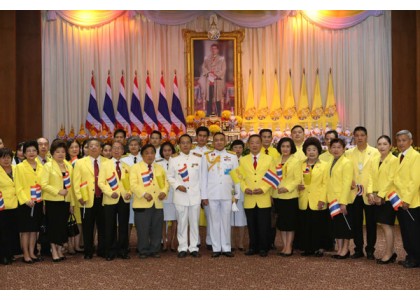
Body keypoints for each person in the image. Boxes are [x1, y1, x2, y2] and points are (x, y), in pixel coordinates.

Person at [233, 134, 276, 257]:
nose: (255, 145)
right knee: (251, 224)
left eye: (257, 142)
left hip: (263, 196)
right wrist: (245, 188)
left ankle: (263, 247)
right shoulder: (242, 160)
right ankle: (253, 246)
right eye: (252, 143)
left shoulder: (269, 159)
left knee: (264, 224)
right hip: (249, 197)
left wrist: (263, 189)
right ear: (248, 145)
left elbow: (272, 177)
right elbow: (239, 177)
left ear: (261, 144)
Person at [201, 132, 239, 257]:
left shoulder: (232, 156)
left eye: (221, 140)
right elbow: (203, 178)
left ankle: (226, 247)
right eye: (216, 140)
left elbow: (236, 178)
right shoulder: (206, 156)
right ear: (212, 142)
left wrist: (236, 195)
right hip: (212, 194)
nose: (219, 142)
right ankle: (216, 248)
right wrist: (204, 196)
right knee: (214, 221)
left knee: (226, 221)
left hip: (227, 194)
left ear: (225, 141)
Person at [345, 126, 380, 260]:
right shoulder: (348, 153)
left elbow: (374, 173)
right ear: (354, 137)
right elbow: (347, 171)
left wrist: (371, 191)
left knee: (371, 223)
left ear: (367, 137)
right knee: (356, 222)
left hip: (369, 194)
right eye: (357, 135)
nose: (359, 138)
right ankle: (358, 248)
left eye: (362, 135)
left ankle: (370, 249)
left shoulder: (375, 152)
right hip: (354, 193)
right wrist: (350, 181)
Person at [167, 134, 204, 258]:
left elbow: (202, 178)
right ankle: (182, 247)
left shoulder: (198, 158)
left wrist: (203, 194)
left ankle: (193, 247)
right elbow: (170, 176)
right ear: (179, 145)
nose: (185, 145)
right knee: (182, 223)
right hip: (180, 195)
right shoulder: (174, 158)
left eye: (188, 142)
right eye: (182, 143)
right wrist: (177, 185)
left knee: (194, 222)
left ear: (191, 144)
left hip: (195, 195)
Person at [130, 144, 169, 258]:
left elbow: (165, 183)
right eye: (147, 153)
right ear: (142, 155)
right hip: (142, 202)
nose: (150, 155)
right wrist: (144, 194)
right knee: (143, 228)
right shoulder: (136, 168)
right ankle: (143, 250)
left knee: (156, 228)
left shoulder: (159, 168)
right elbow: (133, 184)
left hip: (157, 203)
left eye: (152, 152)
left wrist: (164, 192)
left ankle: (155, 249)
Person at [73, 138, 108, 259]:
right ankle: (88, 251)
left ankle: (102, 250)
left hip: (104, 198)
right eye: (90, 146)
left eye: (96, 146)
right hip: (87, 199)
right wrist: (79, 197)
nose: (93, 148)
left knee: (102, 226)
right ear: (87, 149)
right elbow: (76, 182)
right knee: (87, 227)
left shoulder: (107, 162)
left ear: (101, 149)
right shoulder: (80, 162)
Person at [297, 137, 332, 257]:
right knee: (305, 224)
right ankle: (307, 248)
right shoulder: (300, 165)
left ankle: (319, 247)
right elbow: (296, 179)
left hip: (318, 199)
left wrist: (322, 199)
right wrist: (297, 186)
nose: (311, 152)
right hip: (304, 198)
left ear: (318, 151)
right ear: (305, 151)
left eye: (314, 149)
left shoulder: (325, 165)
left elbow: (326, 183)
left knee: (319, 224)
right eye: (309, 149)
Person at [39, 140, 73, 262]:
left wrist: (72, 203)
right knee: (53, 227)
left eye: (63, 151)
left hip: (66, 201)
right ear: (52, 153)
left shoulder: (68, 165)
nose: (60, 154)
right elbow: (43, 184)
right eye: (57, 151)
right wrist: (58, 191)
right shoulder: (48, 166)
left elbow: (71, 187)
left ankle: (59, 249)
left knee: (62, 227)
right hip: (52, 201)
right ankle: (54, 250)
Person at [367, 135, 398, 264]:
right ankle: (389, 252)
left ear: (390, 146)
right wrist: (369, 193)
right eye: (379, 144)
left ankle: (389, 253)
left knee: (386, 225)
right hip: (376, 197)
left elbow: (391, 179)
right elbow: (370, 177)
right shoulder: (374, 159)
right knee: (383, 225)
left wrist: (380, 195)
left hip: (388, 198)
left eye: (385, 144)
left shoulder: (394, 160)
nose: (382, 146)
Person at [98, 141, 131, 261]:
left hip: (124, 199)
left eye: (119, 148)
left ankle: (123, 250)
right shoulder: (105, 165)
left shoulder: (126, 166)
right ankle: (110, 251)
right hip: (110, 199)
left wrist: (129, 193)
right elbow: (101, 182)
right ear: (111, 151)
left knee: (123, 226)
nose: (117, 150)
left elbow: (130, 184)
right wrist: (110, 193)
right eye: (114, 148)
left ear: (123, 151)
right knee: (110, 226)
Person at [393, 130, 420, 268]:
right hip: (400, 200)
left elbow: (415, 180)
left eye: (404, 140)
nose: (401, 143)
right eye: (399, 141)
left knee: (413, 231)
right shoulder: (399, 156)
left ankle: (416, 258)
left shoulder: (415, 156)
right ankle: (410, 256)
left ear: (411, 141)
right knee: (404, 231)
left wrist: (407, 199)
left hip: (411, 202)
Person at [15, 141, 44, 263]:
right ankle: (25, 254)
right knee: (26, 230)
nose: (31, 153)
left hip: (38, 201)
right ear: (24, 153)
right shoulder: (19, 167)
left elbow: (44, 184)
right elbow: (18, 186)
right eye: (28, 151)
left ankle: (32, 253)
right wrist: (26, 200)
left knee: (34, 229)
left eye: (33, 150)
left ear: (37, 152)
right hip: (26, 203)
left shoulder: (42, 166)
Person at [272, 137, 301, 256]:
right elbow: (271, 177)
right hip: (277, 195)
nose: (285, 149)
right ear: (279, 147)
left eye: (288, 146)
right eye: (283, 146)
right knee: (282, 224)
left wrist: (287, 188)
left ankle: (289, 247)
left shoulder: (296, 161)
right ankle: (284, 246)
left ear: (291, 148)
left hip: (290, 196)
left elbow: (298, 179)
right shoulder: (275, 160)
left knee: (289, 224)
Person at [327, 138, 354, 259]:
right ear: (329, 149)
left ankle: (345, 249)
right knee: (336, 226)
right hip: (332, 199)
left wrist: (343, 202)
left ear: (344, 149)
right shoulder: (330, 161)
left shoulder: (346, 162)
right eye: (333, 147)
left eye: (339, 147)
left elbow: (346, 183)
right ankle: (339, 249)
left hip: (342, 200)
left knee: (344, 226)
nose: (336, 149)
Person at [259, 128, 280, 250]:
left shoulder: (276, 153)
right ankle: (262, 241)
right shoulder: (255, 151)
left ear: (272, 139)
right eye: (264, 137)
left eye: (268, 137)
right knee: (262, 218)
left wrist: (272, 191)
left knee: (272, 218)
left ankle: (271, 241)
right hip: (259, 189)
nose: (266, 139)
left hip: (272, 189)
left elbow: (276, 173)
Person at [192, 126, 212, 250]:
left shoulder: (212, 152)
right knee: (194, 216)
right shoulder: (190, 151)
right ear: (196, 137)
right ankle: (196, 241)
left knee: (211, 215)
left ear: (208, 138)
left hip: (208, 189)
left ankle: (210, 241)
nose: (202, 138)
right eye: (200, 136)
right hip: (193, 188)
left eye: (205, 136)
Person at [156, 141, 178, 252]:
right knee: (163, 219)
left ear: (173, 151)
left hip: (175, 194)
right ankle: (164, 242)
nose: (167, 152)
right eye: (165, 150)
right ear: (161, 152)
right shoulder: (158, 163)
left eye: (169, 150)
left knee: (175, 219)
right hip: (162, 195)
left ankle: (173, 241)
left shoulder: (178, 161)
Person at [0, 148, 20, 265]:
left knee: (13, 230)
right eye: (3, 157)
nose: (6, 160)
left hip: (16, 204)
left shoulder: (16, 169)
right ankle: (3, 255)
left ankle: (11, 253)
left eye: (8, 157)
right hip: (2, 206)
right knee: (3, 232)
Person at [121, 136, 142, 246]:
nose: (133, 147)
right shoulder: (123, 160)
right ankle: (125, 244)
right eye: (131, 145)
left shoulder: (144, 159)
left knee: (140, 221)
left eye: (136, 144)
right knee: (127, 220)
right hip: (127, 194)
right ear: (128, 147)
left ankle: (141, 243)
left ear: (139, 146)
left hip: (140, 194)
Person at [65, 139, 83, 254]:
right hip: (69, 195)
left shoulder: (82, 162)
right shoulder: (64, 163)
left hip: (80, 195)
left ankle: (77, 245)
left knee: (79, 222)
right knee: (69, 221)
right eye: (72, 147)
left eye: (77, 147)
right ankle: (70, 245)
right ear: (67, 149)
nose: (75, 149)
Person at [229, 140, 247, 251]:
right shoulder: (228, 159)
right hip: (229, 192)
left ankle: (240, 243)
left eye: (240, 147)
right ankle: (230, 243)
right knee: (229, 219)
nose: (238, 150)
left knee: (241, 219)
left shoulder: (245, 160)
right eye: (235, 147)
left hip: (243, 192)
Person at [201, 43, 226, 116]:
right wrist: (208, 73)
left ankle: (219, 113)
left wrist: (215, 74)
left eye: (215, 49)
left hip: (217, 81)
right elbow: (203, 67)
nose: (213, 50)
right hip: (209, 81)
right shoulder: (206, 58)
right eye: (212, 48)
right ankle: (208, 113)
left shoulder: (221, 59)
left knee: (217, 98)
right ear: (210, 49)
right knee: (209, 98)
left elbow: (223, 70)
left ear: (217, 50)